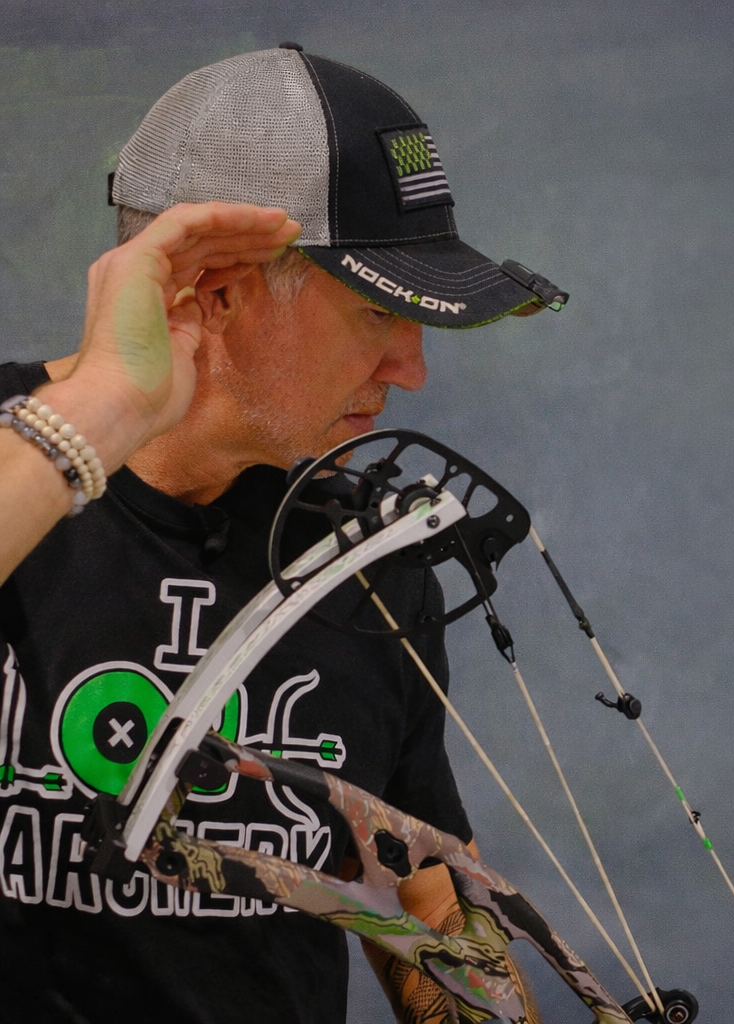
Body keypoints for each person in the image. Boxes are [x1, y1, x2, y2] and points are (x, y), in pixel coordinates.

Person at [0, 44, 564, 1022]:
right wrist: (100, 408)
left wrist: (487, 999)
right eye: (377, 311)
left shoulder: (363, 556)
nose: (412, 366)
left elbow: (422, 888)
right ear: (215, 291)